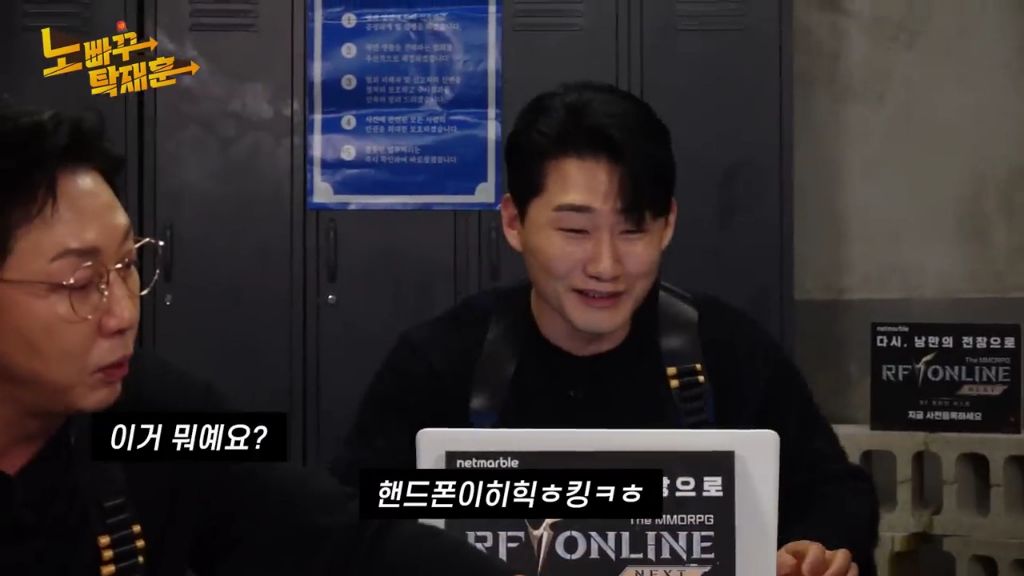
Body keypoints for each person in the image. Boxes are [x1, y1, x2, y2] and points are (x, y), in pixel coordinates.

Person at [330, 81, 880, 576]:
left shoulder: (728, 351)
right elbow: (354, 515)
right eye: (575, 230)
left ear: (668, 225)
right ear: (515, 223)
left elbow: (835, 494)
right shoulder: (440, 362)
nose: (606, 265)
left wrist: (817, 548)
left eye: (633, 230)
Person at [0, 105, 515, 576]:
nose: (123, 314)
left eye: (128, 264)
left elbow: (338, 536)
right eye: (80, 284)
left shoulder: (158, 414)